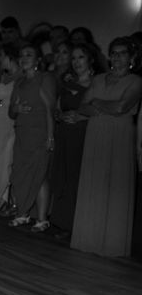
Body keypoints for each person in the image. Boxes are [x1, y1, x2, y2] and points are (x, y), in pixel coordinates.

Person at [72, 37, 142, 257]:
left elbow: (122, 106)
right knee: (95, 183)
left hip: (119, 135)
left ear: (132, 58)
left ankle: (112, 243)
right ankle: (89, 238)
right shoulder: (99, 78)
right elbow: (83, 106)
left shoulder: (135, 81)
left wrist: (97, 103)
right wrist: (100, 106)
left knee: (115, 186)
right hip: (95, 134)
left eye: (122, 53)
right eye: (114, 53)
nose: (117, 57)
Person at [8, 44, 56, 232]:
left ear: (37, 60)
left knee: (39, 175)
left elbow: (49, 109)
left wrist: (51, 136)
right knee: (20, 174)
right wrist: (16, 109)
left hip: (39, 133)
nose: (24, 58)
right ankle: (23, 213)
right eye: (21, 55)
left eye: (29, 55)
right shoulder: (19, 82)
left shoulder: (45, 78)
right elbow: (11, 112)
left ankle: (42, 219)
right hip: (22, 133)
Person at [49, 44, 95, 238]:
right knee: (63, 177)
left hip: (84, 134)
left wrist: (81, 117)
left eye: (81, 57)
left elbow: (100, 112)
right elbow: (57, 108)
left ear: (90, 60)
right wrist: (60, 116)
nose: (76, 62)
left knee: (78, 178)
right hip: (65, 134)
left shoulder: (98, 84)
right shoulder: (67, 83)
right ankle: (62, 223)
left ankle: (79, 224)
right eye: (74, 58)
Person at [0, 44, 20, 214]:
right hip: (0, 118)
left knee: (11, 158)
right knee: (0, 158)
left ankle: (14, 201)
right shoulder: (3, 76)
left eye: (2, 55)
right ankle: (3, 200)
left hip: (15, 119)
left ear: (10, 57)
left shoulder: (22, 76)